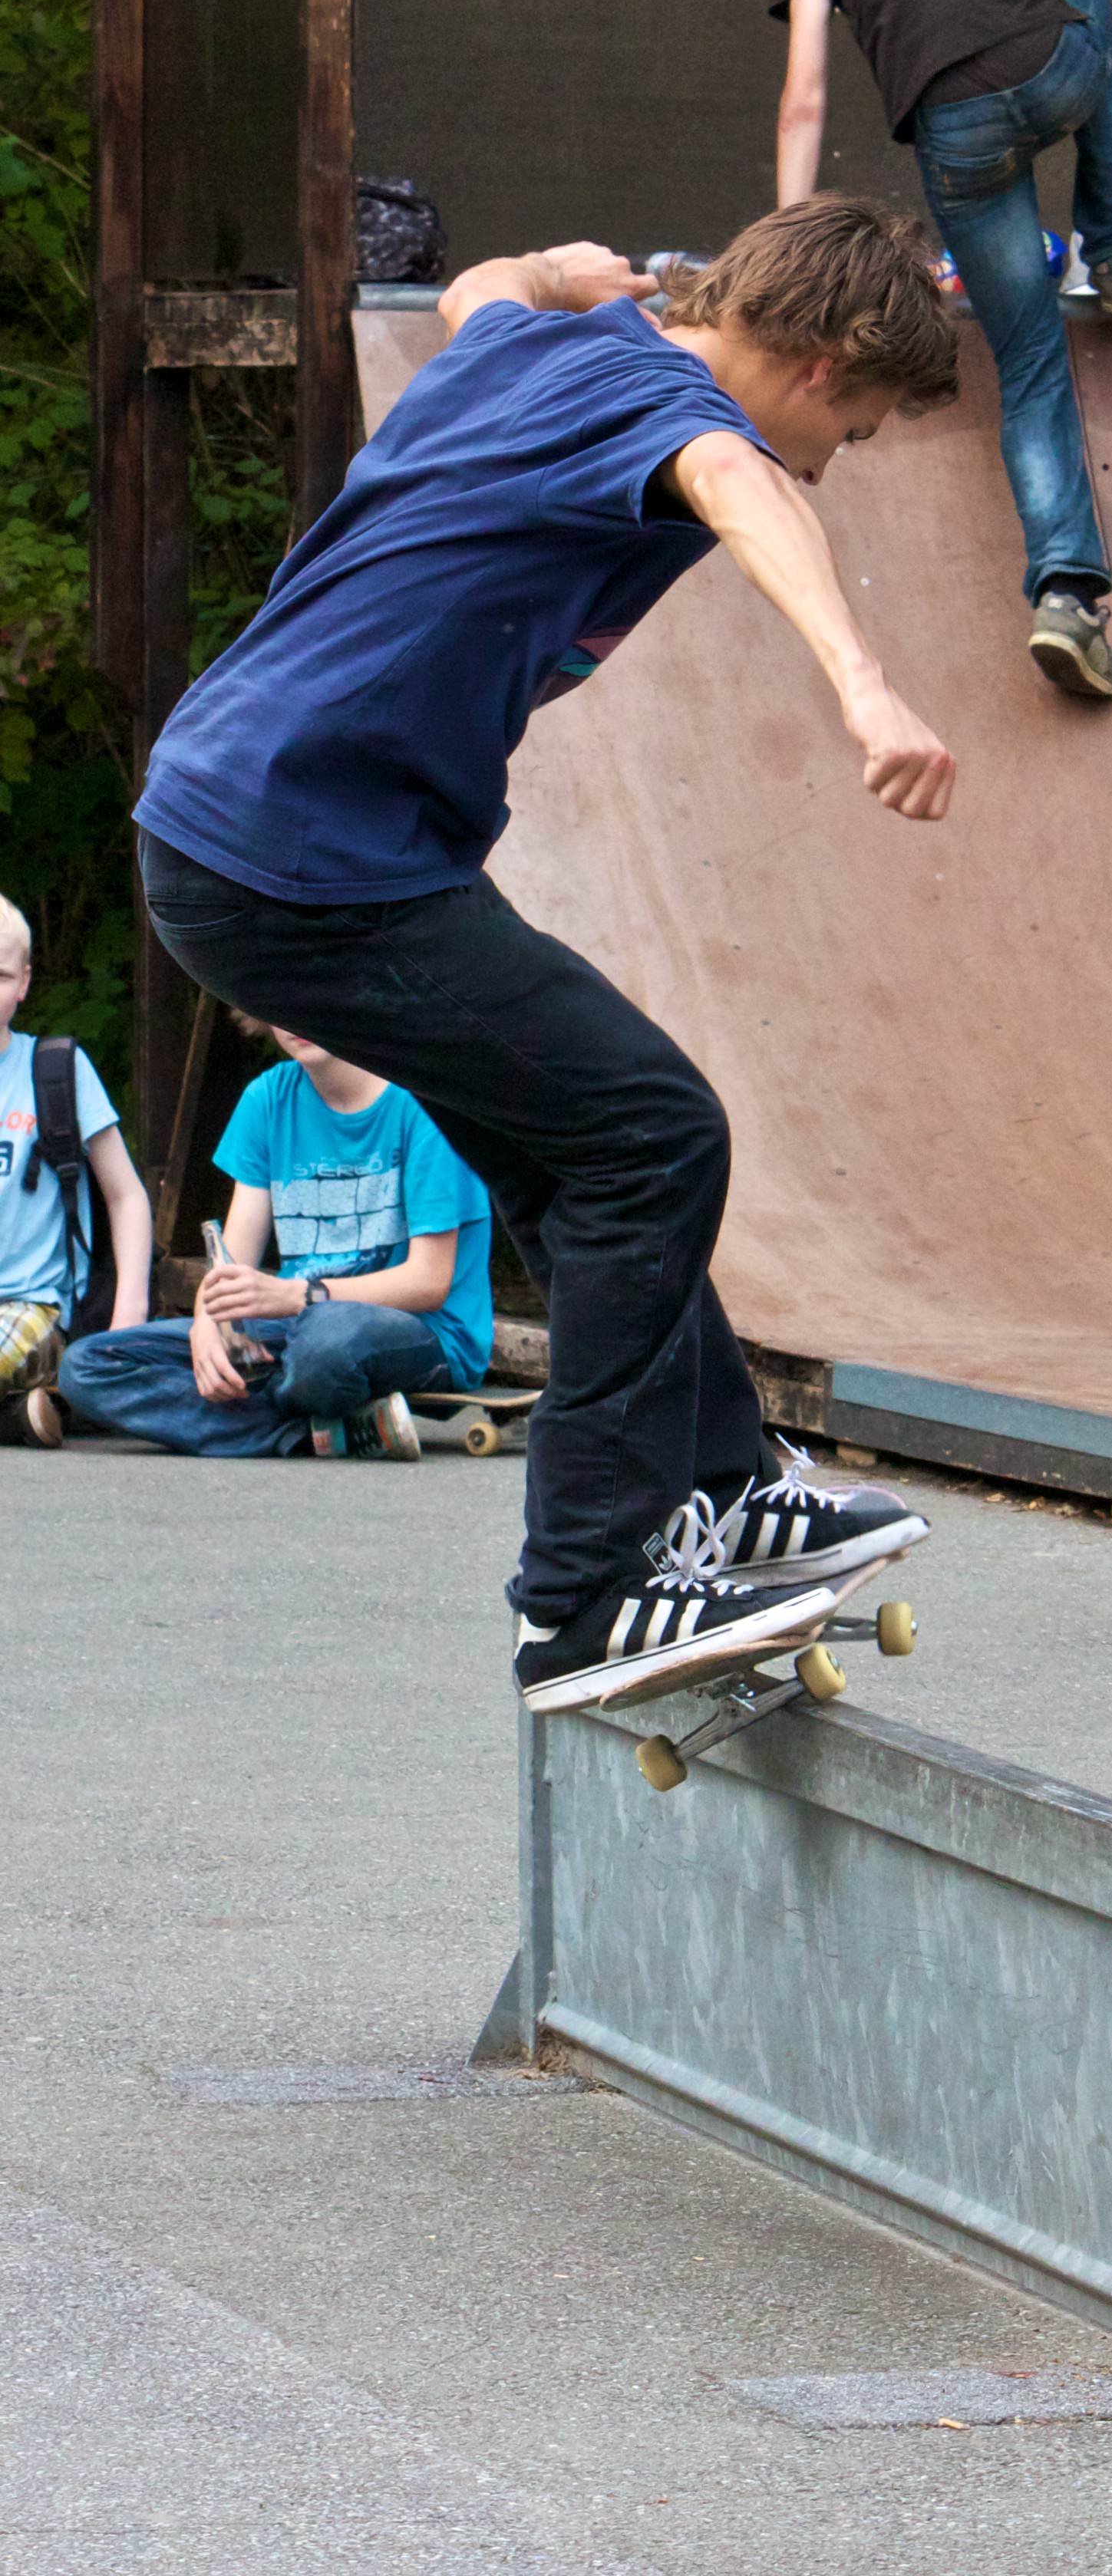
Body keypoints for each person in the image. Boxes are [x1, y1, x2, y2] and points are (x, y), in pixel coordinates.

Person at [130, 196, 955, 1713]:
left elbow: (479, 288)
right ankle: (584, 1593)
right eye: (857, 429)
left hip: (268, 833)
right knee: (655, 1129)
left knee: (575, 1148)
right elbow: (740, 483)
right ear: (824, 365)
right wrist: (862, 682)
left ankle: (725, 1478)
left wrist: (558, 272)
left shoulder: (535, 344)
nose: (833, 460)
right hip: (308, 860)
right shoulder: (680, 414)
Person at [770, 0, 1112, 706]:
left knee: (1028, 360)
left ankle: (1067, 596)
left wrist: (787, 243)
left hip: (953, 129)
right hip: (1051, 70)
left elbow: (806, 93)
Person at [59, 1021, 493, 1460]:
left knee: (323, 1348)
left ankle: (271, 1416)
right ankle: (319, 1433)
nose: (295, 1018)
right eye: (279, 1003)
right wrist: (208, 1325)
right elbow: (232, 1261)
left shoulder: (425, 1103)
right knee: (87, 1366)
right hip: (299, 1327)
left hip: (420, 1332)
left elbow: (429, 1283)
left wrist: (295, 1296)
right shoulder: (268, 1098)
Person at [0, 889, 152, 1444]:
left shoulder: (56, 1070)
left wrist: (129, 1317)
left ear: (24, 983)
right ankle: (18, 1421)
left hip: (34, 1307)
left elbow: (126, 1196)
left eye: (0, 975)